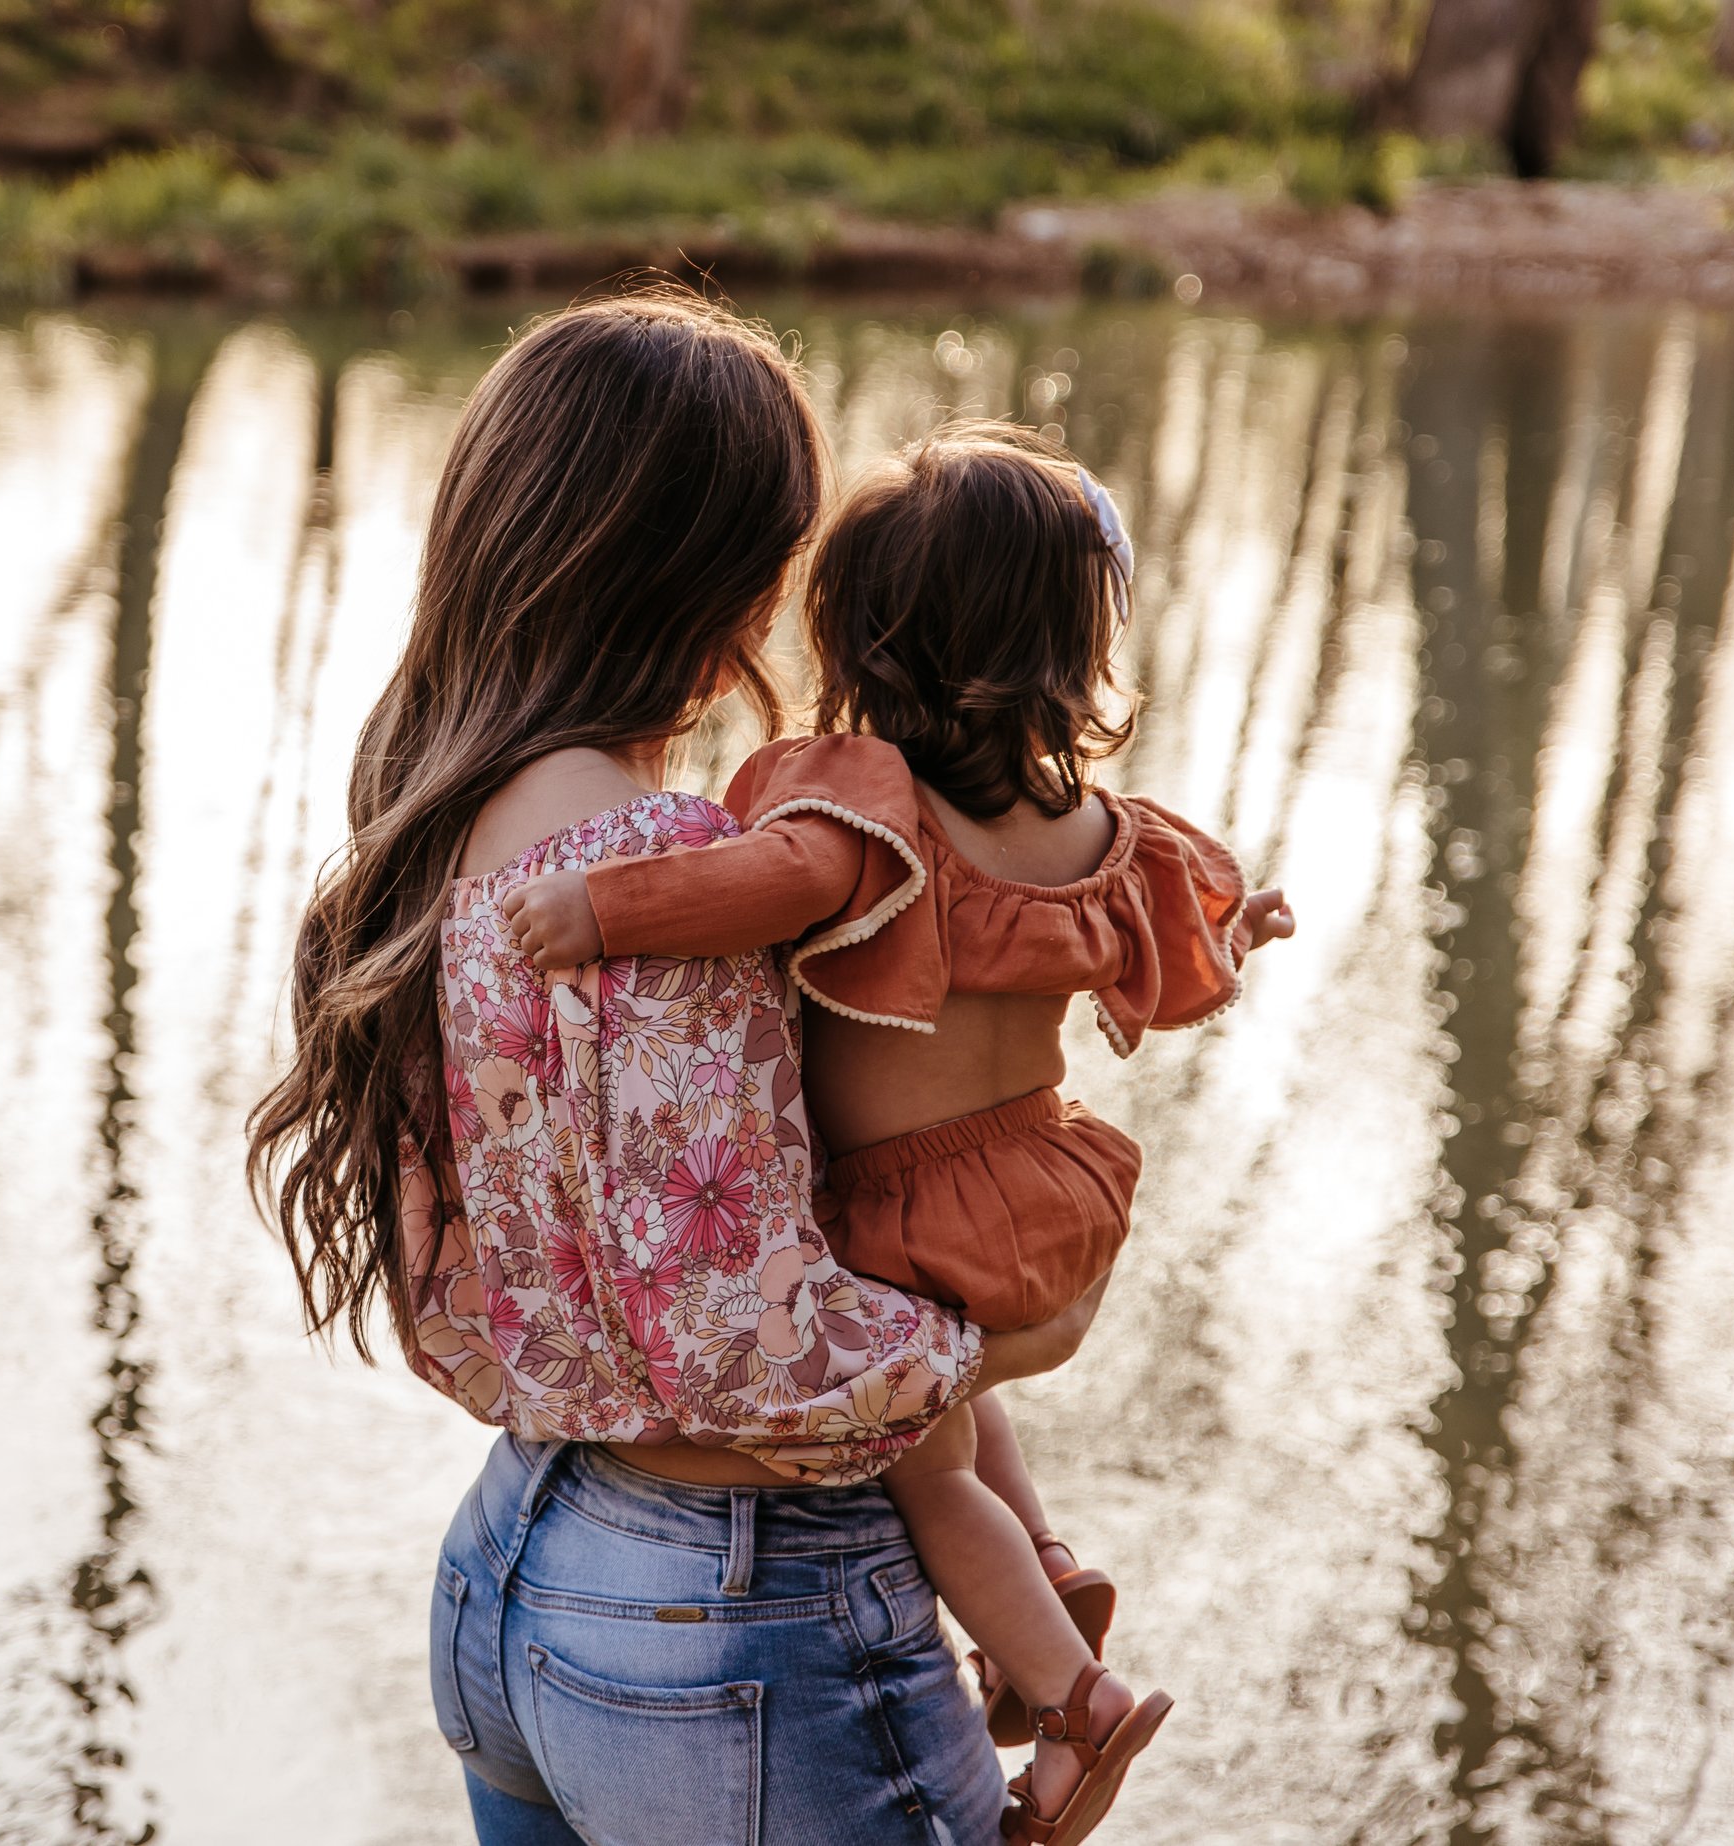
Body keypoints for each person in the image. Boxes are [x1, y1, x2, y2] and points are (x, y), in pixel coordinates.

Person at [248, 299, 1106, 1845]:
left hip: (520, 1560)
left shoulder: (427, 829)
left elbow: (467, 1305)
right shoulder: (648, 866)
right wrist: (989, 1336)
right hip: (729, 1621)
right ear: (709, 571)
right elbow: (738, 1337)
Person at [501, 423, 1297, 1844]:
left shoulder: (864, 799)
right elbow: (1182, 941)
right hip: (1050, 1177)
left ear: (862, 635)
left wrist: (601, 910)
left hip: (905, 1210)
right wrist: (1249, 921)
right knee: (957, 1386)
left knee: (922, 1465)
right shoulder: (1099, 828)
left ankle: (1067, 1696)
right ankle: (1047, 1562)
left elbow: (768, 880)